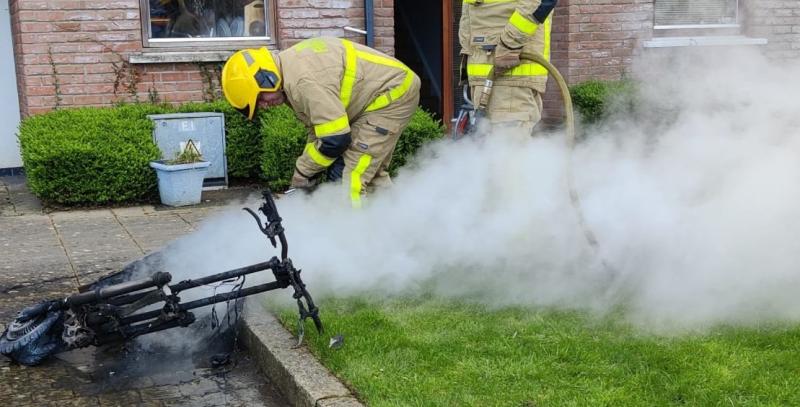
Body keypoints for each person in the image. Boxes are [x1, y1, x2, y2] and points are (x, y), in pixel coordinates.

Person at [221, 37, 421, 208]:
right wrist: (303, 175)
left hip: (391, 96)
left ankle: (354, 245)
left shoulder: (301, 82)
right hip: (382, 96)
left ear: (266, 77)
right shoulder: (290, 75)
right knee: (371, 173)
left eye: (260, 99)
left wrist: (303, 171)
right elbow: (320, 131)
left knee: (347, 178)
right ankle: (399, 230)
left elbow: (336, 139)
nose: (264, 106)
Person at [459, 0, 557, 135]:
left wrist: (508, 45)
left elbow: (537, 3)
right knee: (492, 147)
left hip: (508, 76)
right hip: (488, 73)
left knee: (507, 150)